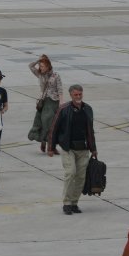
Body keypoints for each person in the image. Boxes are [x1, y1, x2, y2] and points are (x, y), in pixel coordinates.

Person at [46, 83, 97, 214]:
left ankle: (74, 203)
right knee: (70, 173)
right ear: (71, 95)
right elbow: (54, 128)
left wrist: (93, 149)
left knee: (81, 177)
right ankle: (67, 203)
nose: (78, 96)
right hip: (68, 148)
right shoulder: (63, 109)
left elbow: (90, 131)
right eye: (76, 94)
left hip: (83, 149)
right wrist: (51, 147)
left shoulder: (88, 109)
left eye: (80, 94)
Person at [28, 55, 62, 152]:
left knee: (52, 124)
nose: (40, 68)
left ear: (48, 66)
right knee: (43, 122)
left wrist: (61, 102)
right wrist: (38, 60)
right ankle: (47, 143)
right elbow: (30, 66)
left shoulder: (55, 75)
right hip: (43, 101)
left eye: (42, 66)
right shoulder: (40, 74)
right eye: (40, 66)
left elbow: (60, 89)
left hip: (54, 102)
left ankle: (51, 145)